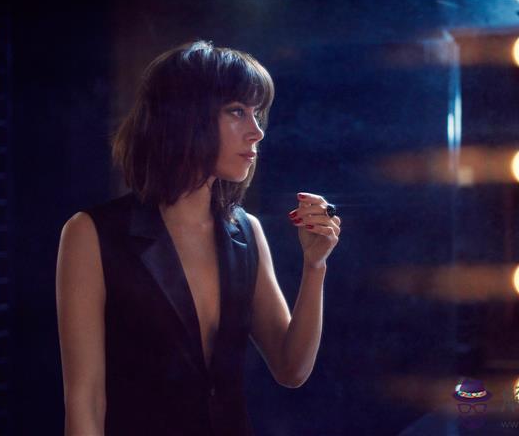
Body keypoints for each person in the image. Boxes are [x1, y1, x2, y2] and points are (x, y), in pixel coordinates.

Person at [55, 40, 341, 436]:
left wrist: (315, 265)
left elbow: (292, 369)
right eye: (237, 111)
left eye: (256, 113)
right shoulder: (91, 234)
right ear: (188, 117)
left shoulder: (246, 232)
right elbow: (85, 402)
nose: (257, 132)